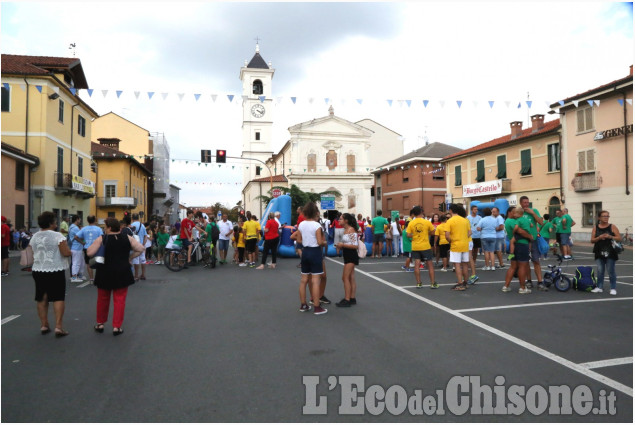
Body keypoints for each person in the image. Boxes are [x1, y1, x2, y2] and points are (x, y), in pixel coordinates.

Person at [87, 217, 145, 336]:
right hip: (122, 272)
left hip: (104, 272)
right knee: (120, 300)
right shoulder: (127, 237)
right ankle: (117, 327)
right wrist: (130, 258)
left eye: (105, 227)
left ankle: (100, 323)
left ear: (109, 227)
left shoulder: (102, 238)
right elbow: (141, 248)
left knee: (102, 299)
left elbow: (90, 253)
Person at [29, 212, 72, 337]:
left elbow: (33, 250)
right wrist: (70, 251)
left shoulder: (35, 236)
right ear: (51, 223)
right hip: (55, 269)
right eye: (54, 221)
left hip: (38, 269)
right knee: (58, 297)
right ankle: (58, 327)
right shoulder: (57, 236)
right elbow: (65, 252)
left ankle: (44, 324)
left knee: (41, 297)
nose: (56, 223)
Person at [292, 202, 328, 315]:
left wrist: (307, 241)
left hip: (305, 251)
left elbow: (298, 240)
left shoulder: (301, 224)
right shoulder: (317, 226)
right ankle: (317, 307)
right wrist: (325, 242)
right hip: (315, 252)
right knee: (315, 280)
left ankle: (303, 304)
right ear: (315, 212)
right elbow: (319, 242)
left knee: (304, 280)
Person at [502, 207, 533, 294]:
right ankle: (522, 288)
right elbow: (521, 231)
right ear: (510, 212)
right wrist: (530, 236)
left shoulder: (508, 221)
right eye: (514, 212)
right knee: (523, 265)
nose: (515, 214)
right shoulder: (512, 221)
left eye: (516, 212)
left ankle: (506, 286)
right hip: (521, 244)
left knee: (513, 266)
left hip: (515, 244)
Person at [591, 210, 621, 295]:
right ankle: (599, 287)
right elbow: (592, 240)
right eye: (604, 216)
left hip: (610, 252)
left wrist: (610, 236)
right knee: (600, 270)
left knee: (610, 270)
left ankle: (613, 288)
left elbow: (619, 238)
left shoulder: (612, 227)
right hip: (599, 251)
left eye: (607, 216)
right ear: (599, 218)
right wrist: (599, 237)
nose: (606, 218)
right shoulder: (595, 227)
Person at [407, 206, 438, 289]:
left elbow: (408, 235)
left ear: (414, 213)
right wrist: (426, 233)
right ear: (421, 212)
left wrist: (414, 235)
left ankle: (418, 283)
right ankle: (432, 283)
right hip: (425, 246)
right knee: (430, 264)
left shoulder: (411, 223)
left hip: (415, 246)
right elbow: (433, 232)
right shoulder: (427, 222)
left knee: (417, 264)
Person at [519, 196, 546, 290]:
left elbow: (541, 222)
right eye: (524, 202)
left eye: (527, 202)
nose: (526, 204)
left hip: (533, 239)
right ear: (521, 203)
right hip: (523, 240)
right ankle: (529, 281)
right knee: (525, 262)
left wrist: (533, 213)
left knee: (536, 261)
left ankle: (540, 282)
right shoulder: (519, 212)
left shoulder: (534, 210)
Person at [445, 204, 471, 291]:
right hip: (465, 244)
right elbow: (470, 232)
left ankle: (460, 284)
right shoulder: (465, 220)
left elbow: (447, 235)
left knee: (457, 264)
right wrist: (463, 237)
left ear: (451, 210)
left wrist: (451, 241)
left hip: (456, 244)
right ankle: (465, 282)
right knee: (465, 264)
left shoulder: (450, 221)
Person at [335, 213, 359, 307]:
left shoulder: (351, 230)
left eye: (341, 219)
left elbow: (355, 245)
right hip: (347, 254)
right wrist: (340, 246)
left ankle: (347, 299)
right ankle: (352, 298)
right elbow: (349, 243)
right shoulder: (346, 230)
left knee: (345, 277)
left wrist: (342, 245)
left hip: (351, 255)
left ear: (346, 220)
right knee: (350, 277)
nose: (339, 221)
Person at [74, 215, 103, 283]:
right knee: (98, 262)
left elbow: (76, 237)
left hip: (87, 248)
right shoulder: (98, 229)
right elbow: (102, 238)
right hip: (96, 247)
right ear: (95, 220)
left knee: (89, 264)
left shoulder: (84, 228)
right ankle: (98, 278)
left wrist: (83, 243)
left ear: (87, 221)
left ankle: (91, 279)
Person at [130, 213, 148, 280]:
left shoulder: (131, 225)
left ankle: (136, 276)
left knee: (136, 261)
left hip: (135, 246)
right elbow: (145, 236)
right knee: (143, 260)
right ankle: (143, 274)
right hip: (141, 246)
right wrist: (143, 244)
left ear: (132, 218)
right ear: (138, 218)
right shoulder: (142, 225)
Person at [68, 215, 85, 283]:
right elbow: (78, 237)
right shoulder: (75, 228)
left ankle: (79, 275)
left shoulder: (71, 227)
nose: (80, 221)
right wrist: (83, 242)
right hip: (76, 247)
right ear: (77, 219)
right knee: (76, 263)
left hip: (76, 247)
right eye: (79, 219)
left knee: (81, 262)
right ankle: (74, 277)